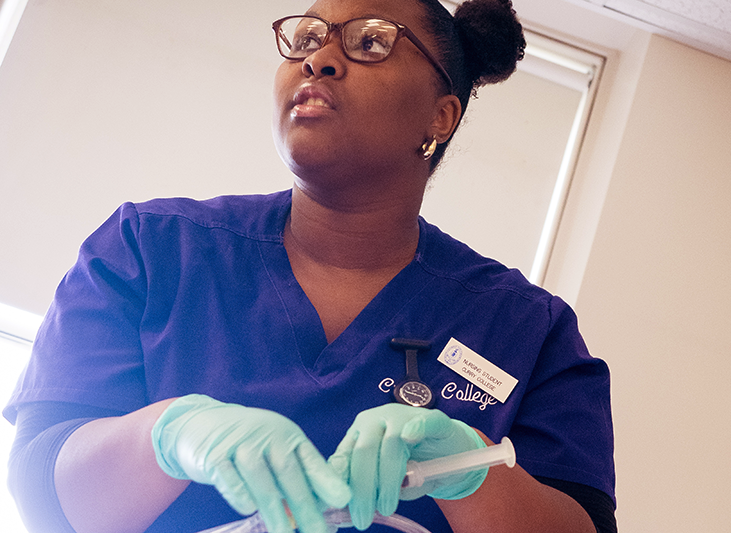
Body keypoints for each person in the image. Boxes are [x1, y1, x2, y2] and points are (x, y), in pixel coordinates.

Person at [4, 0, 616, 532]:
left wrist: (469, 472)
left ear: (441, 117)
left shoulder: (528, 331)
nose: (318, 59)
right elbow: (44, 492)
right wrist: (165, 436)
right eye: (305, 38)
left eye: (372, 41)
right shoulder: (151, 249)